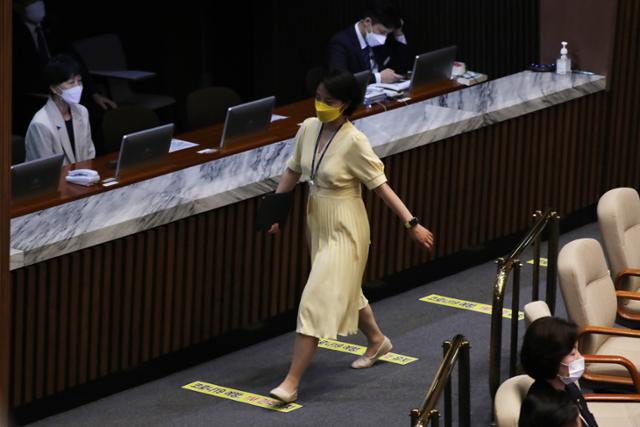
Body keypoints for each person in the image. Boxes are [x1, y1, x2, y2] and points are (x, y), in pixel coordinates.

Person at [267, 70, 434, 403]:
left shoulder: (355, 140)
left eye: (329, 102)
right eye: (318, 98)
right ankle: (377, 340)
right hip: (317, 221)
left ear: (346, 105)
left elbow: (381, 186)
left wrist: (411, 223)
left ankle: (291, 382)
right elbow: (292, 170)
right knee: (346, 288)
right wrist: (274, 214)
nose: (321, 106)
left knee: (316, 297)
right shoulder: (308, 128)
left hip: (346, 225)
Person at [12, 0, 116, 137]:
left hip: (63, 92)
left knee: (94, 114)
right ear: (16, 6)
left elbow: (75, 59)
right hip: (33, 98)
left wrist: (94, 93)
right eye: (30, 2)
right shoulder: (12, 33)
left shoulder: (52, 24)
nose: (37, 5)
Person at [519, 317, 598, 427]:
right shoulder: (551, 412)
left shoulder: (568, 387)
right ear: (551, 360)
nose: (580, 357)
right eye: (573, 353)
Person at [25, 54, 96, 165]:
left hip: (84, 178)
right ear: (54, 88)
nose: (77, 87)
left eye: (79, 81)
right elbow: (46, 168)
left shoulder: (82, 112)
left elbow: (89, 153)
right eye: (71, 82)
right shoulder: (40, 124)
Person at [327, 0, 410, 84]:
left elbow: (402, 68)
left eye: (388, 34)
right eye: (382, 32)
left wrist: (398, 34)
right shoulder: (341, 42)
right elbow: (339, 81)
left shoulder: (382, 36)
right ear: (367, 22)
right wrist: (378, 78)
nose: (384, 38)